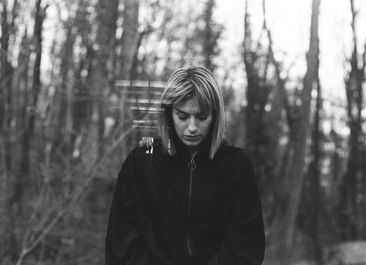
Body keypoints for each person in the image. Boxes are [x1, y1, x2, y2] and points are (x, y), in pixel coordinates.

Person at [105, 66, 265, 265]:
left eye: (202, 117)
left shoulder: (235, 166)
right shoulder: (142, 162)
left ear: (215, 116)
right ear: (168, 113)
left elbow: (246, 244)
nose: (192, 128)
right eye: (182, 116)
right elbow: (121, 241)